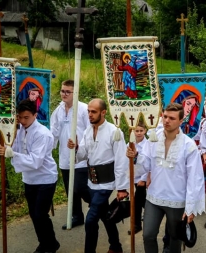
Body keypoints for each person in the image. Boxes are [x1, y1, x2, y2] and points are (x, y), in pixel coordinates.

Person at [127, 103, 205, 253]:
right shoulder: (153, 140)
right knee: (148, 235)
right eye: (165, 116)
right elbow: (144, 166)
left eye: (172, 118)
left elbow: (195, 179)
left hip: (177, 200)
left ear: (181, 121)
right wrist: (135, 156)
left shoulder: (188, 146)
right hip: (154, 197)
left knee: (175, 238)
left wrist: (190, 207)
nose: (167, 120)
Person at [0, 99, 60, 253]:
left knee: (40, 214)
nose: (23, 121)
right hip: (29, 178)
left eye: (26, 117)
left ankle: (50, 244)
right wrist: (5, 146)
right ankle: (45, 242)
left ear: (35, 115)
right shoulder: (19, 130)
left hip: (45, 177)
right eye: (20, 117)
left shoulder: (42, 134)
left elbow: (35, 161)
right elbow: (15, 147)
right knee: (34, 214)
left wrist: (10, 153)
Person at [67, 98, 130, 253]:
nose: (90, 114)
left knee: (90, 219)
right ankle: (116, 246)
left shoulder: (114, 132)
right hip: (92, 183)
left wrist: (122, 188)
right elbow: (83, 155)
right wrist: (75, 148)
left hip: (107, 184)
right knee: (104, 216)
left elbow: (121, 161)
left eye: (93, 112)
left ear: (103, 112)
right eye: (88, 111)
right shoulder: (88, 130)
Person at [50, 79, 91, 230]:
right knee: (70, 190)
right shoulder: (58, 110)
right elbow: (53, 133)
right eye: (62, 91)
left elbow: (90, 131)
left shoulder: (83, 109)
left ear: (75, 92)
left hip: (81, 156)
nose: (64, 94)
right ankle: (77, 216)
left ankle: (97, 205)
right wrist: (47, 149)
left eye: (68, 91)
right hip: (65, 156)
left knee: (80, 187)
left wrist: (84, 147)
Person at [128, 121, 149, 235]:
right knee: (142, 200)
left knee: (137, 201)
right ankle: (147, 217)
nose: (139, 133)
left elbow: (149, 163)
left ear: (145, 131)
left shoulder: (148, 144)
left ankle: (137, 225)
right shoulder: (130, 143)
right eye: (137, 131)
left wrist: (144, 178)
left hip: (143, 177)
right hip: (135, 176)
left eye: (141, 130)